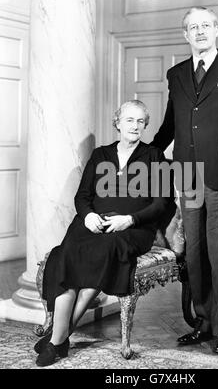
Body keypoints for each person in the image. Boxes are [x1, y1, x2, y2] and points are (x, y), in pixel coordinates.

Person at [152, 6, 218, 354]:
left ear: (216, 31)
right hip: (188, 175)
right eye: (192, 27)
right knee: (195, 254)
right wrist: (143, 152)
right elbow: (171, 124)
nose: (199, 31)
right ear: (186, 35)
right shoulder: (176, 73)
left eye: (205, 26)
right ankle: (201, 322)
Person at [34, 100, 169, 367]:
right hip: (93, 224)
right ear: (117, 122)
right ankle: (59, 340)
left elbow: (162, 202)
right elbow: (82, 196)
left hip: (132, 229)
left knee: (103, 251)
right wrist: (88, 216)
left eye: (141, 121)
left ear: (145, 126)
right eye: (129, 120)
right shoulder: (100, 154)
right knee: (64, 256)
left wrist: (129, 219)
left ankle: (57, 340)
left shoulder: (155, 155)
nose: (135, 126)